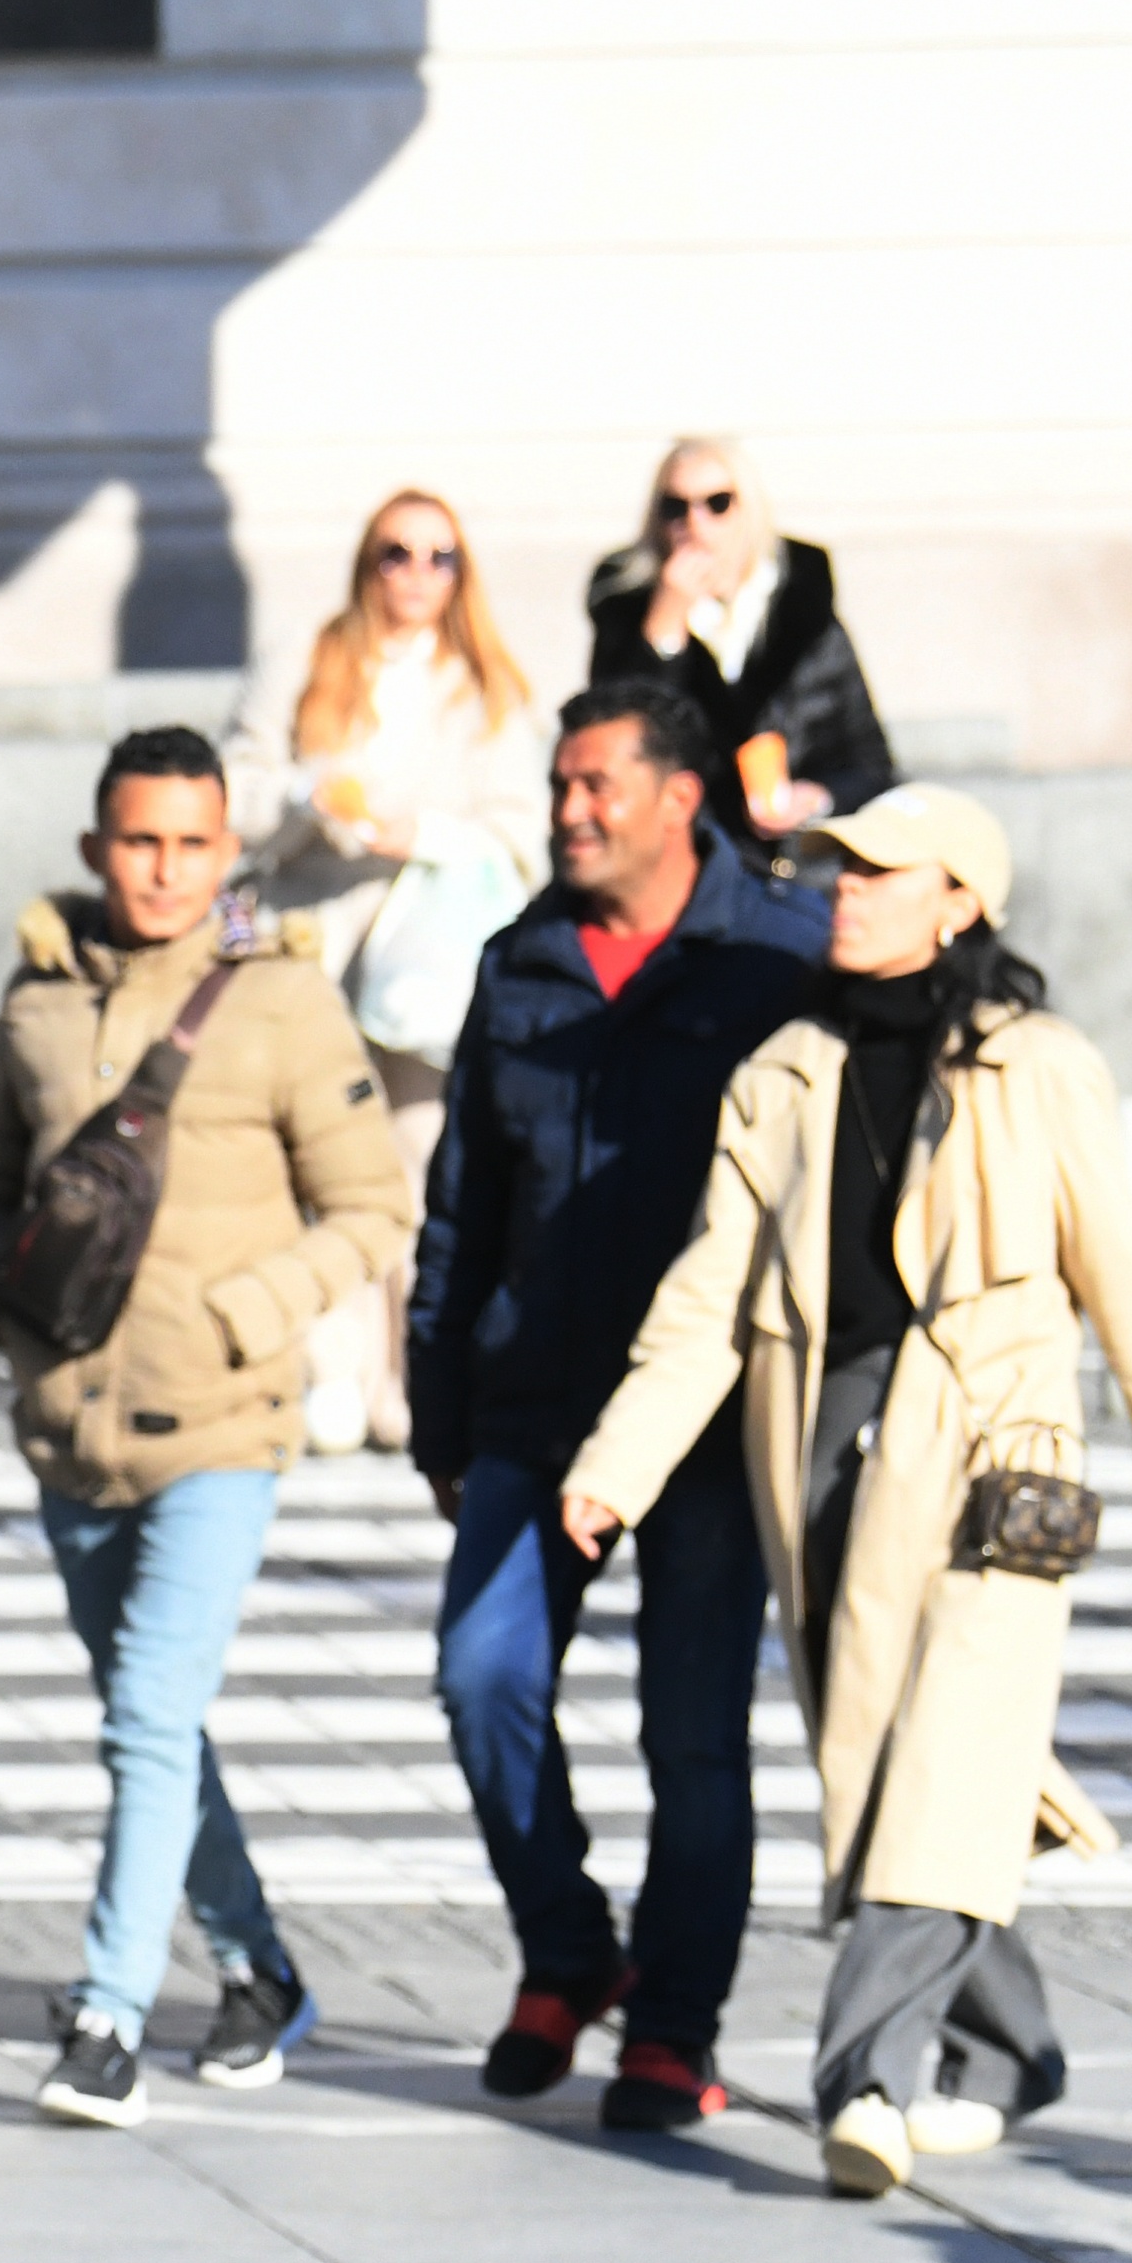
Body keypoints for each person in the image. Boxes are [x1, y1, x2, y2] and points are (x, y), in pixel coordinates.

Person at [561, 791, 1132, 2199]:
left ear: (957, 901)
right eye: (834, 867)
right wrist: (616, 1464)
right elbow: (704, 1298)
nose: (843, 891)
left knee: (940, 1753)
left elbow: (1120, 1277)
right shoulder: (783, 1067)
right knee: (886, 1758)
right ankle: (1012, 2048)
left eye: (878, 871)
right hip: (821, 1435)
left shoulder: (1037, 1064)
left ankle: (861, 2078)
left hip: (997, 1449)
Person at [0, 736, 412, 2128]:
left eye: (188, 846)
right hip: (70, 1423)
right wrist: (2, 1309)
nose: (161, 871)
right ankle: (256, 1967)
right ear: (97, 847)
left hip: (221, 1421)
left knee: (148, 1712)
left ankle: (104, 2016)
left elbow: (371, 1209)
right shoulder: (34, 996)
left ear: (226, 853)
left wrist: (244, 1316)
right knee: (149, 1724)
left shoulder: (276, 1003)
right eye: (136, 843)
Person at [404, 676, 840, 2132]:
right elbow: (458, 1208)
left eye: (596, 785)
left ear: (676, 796)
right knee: (480, 1676)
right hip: (529, 1406)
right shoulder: (517, 964)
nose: (569, 810)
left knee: (692, 1736)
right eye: (558, 785)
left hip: (700, 1427)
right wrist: (437, 1408)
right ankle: (566, 1949)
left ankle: (672, 2024)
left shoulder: (773, 954)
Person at [230, 487, 548, 1063]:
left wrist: (426, 836)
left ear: (460, 573)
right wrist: (306, 796)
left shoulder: (484, 684)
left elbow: (522, 834)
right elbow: (233, 792)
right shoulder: (302, 654)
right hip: (306, 928)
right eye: (396, 553)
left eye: (439, 558)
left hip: (427, 947)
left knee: (415, 1133)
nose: (417, 573)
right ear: (367, 564)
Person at [583, 439, 893, 844]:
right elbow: (613, 747)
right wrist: (663, 628)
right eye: (675, 507)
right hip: (684, 862)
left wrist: (817, 798)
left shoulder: (804, 614)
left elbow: (870, 763)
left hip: (794, 866)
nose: (694, 525)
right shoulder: (629, 613)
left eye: (717, 503)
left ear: (749, 509)